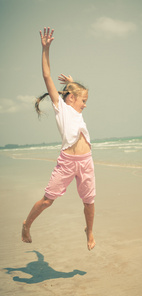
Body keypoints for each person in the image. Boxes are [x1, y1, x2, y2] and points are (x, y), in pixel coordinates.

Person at [22, 27, 96, 251]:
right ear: (71, 98)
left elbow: (74, 95)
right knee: (47, 200)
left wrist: (73, 83)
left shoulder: (77, 110)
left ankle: (89, 231)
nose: (85, 104)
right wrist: (46, 49)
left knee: (89, 201)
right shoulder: (60, 108)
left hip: (86, 161)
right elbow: (47, 76)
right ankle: (27, 224)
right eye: (83, 100)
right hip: (67, 162)